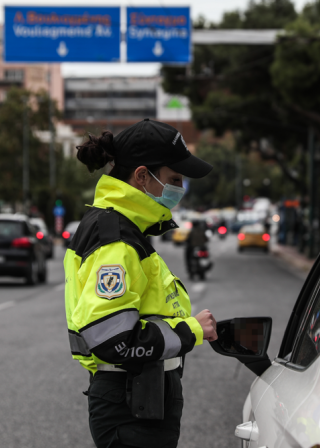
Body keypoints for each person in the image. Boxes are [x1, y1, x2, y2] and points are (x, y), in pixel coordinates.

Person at [64, 119, 218, 448]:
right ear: (142, 176)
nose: (180, 189)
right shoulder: (116, 240)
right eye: (174, 180)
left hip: (135, 398)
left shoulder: (122, 228)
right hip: (131, 404)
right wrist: (191, 330)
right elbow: (112, 339)